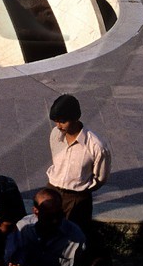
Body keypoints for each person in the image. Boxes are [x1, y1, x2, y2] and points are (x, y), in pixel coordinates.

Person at [45, 94, 111, 231]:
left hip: (77, 198)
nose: (58, 126)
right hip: (52, 190)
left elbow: (100, 178)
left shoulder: (96, 146)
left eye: (62, 121)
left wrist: (80, 190)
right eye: (56, 121)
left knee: (74, 236)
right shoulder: (55, 134)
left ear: (75, 118)